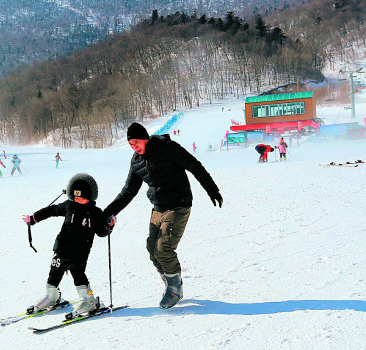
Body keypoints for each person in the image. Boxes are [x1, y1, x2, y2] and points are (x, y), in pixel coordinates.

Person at [103, 122, 222, 309]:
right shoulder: (136, 161)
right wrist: (108, 212)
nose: (134, 147)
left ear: (145, 138)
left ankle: (175, 289)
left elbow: (194, 166)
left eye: (136, 142)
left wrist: (212, 190)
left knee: (163, 248)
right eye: (130, 144)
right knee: (152, 249)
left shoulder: (167, 148)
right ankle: (170, 284)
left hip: (178, 204)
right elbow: (128, 191)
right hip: (158, 208)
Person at [24, 173, 114, 315]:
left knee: (77, 271)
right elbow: (51, 210)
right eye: (76, 197)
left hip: (80, 250)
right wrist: (34, 218)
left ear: (90, 196)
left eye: (82, 198)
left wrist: (109, 226)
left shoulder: (96, 213)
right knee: (55, 268)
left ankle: (88, 299)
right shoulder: (69, 206)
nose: (78, 200)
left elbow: (102, 232)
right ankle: (51, 295)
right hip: (62, 245)